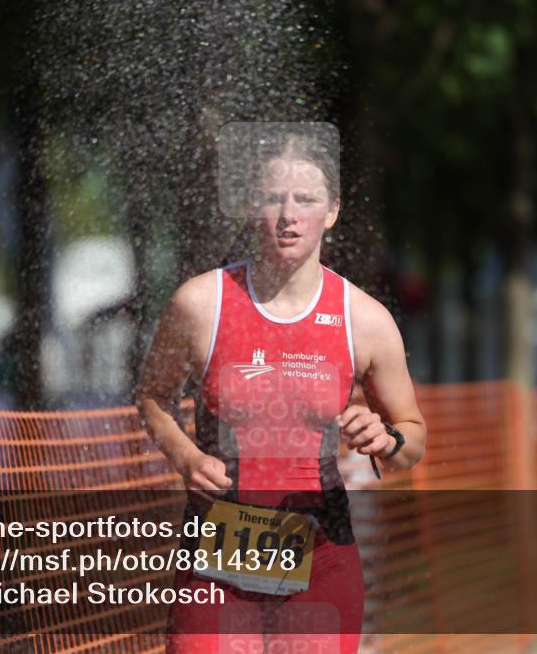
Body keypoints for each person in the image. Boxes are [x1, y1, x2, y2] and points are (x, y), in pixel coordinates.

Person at [136, 124, 427, 654]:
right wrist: (185, 456)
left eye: (306, 200)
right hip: (218, 556)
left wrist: (387, 440)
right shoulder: (201, 304)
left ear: (332, 211)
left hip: (322, 556)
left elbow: (412, 437)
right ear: (252, 207)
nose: (288, 215)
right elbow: (152, 396)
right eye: (273, 198)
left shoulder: (364, 319)